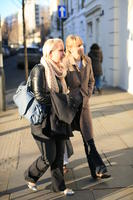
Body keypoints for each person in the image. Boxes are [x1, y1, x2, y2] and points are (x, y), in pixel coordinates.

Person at [24, 38, 75, 196]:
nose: (63, 53)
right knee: (49, 156)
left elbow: (63, 92)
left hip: (58, 119)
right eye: (60, 50)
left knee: (59, 155)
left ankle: (59, 187)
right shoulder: (40, 69)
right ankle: (30, 175)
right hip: (43, 121)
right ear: (50, 52)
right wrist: (60, 101)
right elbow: (40, 96)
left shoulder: (60, 71)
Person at [63, 35, 111, 179]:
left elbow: (91, 80)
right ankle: (60, 166)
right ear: (70, 48)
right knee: (62, 137)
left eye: (82, 44)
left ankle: (97, 170)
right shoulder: (65, 63)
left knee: (88, 139)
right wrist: (68, 96)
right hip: (69, 107)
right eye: (78, 45)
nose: (81, 47)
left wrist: (87, 94)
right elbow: (61, 84)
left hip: (83, 106)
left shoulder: (87, 60)